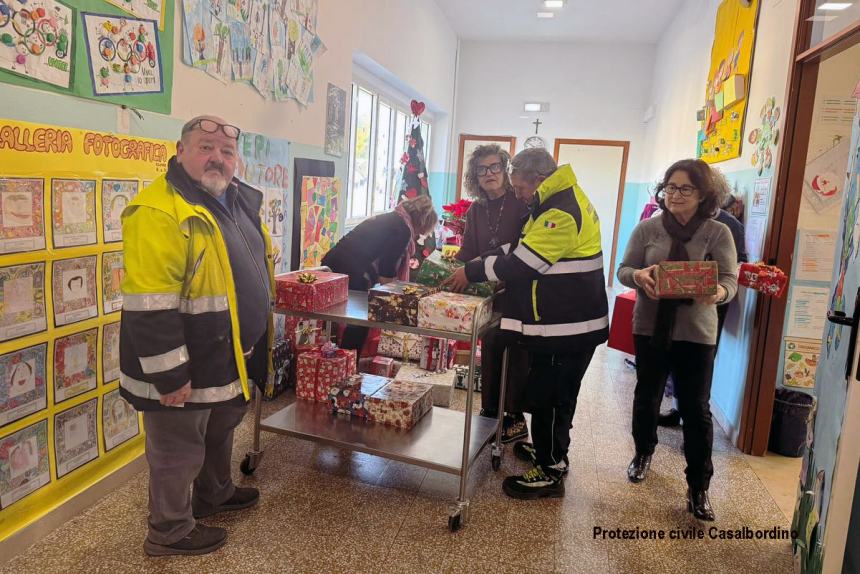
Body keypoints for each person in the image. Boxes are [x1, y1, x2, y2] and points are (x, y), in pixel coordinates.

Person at [120, 115, 274, 557]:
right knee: (177, 446)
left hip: (227, 355)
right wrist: (170, 375)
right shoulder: (157, 210)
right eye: (205, 147)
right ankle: (168, 530)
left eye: (226, 152)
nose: (217, 158)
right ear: (181, 150)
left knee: (220, 427)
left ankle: (214, 493)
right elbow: (150, 303)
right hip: (181, 361)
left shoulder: (236, 199)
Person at [446, 148, 609, 500]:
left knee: (551, 398)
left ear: (537, 180)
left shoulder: (561, 211)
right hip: (564, 321)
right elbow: (521, 244)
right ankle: (551, 452)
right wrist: (485, 258)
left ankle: (551, 471)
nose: (518, 194)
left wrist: (472, 271)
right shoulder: (556, 201)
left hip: (569, 325)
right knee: (553, 394)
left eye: (519, 187)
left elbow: (523, 263)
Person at [617, 158, 738, 521]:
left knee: (695, 408)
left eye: (685, 188)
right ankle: (643, 452)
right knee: (646, 394)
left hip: (696, 333)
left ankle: (698, 487)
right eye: (670, 187)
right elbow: (624, 270)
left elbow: (731, 280)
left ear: (704, 194)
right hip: (650, 326)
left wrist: (716, 292)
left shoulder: (718, 233)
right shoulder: (648, 229)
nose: (676, 195)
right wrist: (639, 276)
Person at [453, 144, 530, 443]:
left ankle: (515, 415)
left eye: (495, 167)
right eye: (482, 169)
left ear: (505, 169)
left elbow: (524, 250)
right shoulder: (475, 209)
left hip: (517, 289)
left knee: (518, 351)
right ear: (476, 175)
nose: (489, 174)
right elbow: (468, 251)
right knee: (491, 348)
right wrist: (444, 266)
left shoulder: (521, 203)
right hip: (487, 292)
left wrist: (484, 265)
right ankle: (489, 410)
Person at [658, 205, 747, 427]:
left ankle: (692, 423)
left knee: (698, 371)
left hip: (709, 304)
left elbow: (736, 265)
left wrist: (719, 289)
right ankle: (677, 411)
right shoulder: (677, 220)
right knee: (674, 360)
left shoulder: (727, 226)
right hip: (675, 304)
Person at [321, 195, 438, 351]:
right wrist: (399, 301)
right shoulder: (402, 230)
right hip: (350, 269)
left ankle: (337, 360)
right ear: (421, 222)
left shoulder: (391, 218)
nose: (417, 236)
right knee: (361, 322)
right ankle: (348, 363)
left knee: (336, 319)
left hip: (332, 263)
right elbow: (386, 271)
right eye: (420, 232)